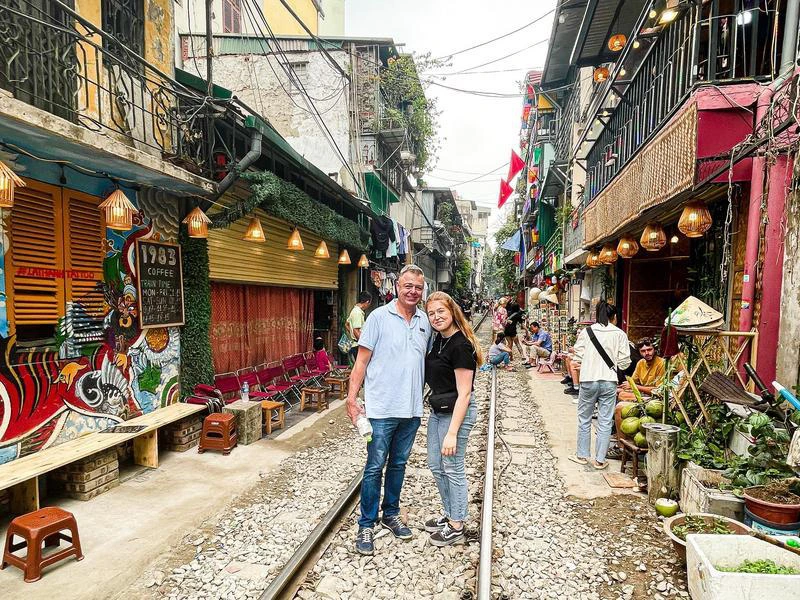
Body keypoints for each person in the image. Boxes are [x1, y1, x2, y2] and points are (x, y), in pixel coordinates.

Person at [346, 265, 430, 556]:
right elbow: (361, 362)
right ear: (397, 288)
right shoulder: (378, 318)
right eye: (408, 286)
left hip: (411, 410)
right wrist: (352, 399)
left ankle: (390, 513)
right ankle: (366, 524)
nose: (412, 291)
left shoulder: (425, 321)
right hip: (381, 410)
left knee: (398, 464)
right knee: (373, 467)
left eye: (418, 287)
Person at [423, 291, 484, 546]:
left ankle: (457, 524)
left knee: (452, 467)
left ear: (452, 312)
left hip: (456, 413)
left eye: (441, 312)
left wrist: (452, 433)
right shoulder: (439, 340)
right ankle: (450, 515)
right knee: (436, 465)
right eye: (431, 313)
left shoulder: (460, 345)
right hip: (439, 411)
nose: (436, 317)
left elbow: (465, 393)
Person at [569, 301, 631, 470]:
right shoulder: (619, 334)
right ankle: (600, 460)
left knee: (584, 419)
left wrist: (587, 362)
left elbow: (577, 356)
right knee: (604, 421)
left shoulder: (586, 332)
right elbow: (625, 363)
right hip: (609, 382)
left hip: (588, 380)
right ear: (615, 317)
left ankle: (582, 455)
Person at [345, 291, 372, 364]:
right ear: (367, 302)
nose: (369, 305)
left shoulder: (355, 310)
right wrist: (363, 343)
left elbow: (347, 324)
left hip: (355, 344)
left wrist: (352, 334)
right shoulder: (357, 312)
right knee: (361, 369)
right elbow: (356, 330)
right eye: (369, 303)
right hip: (358, 346)